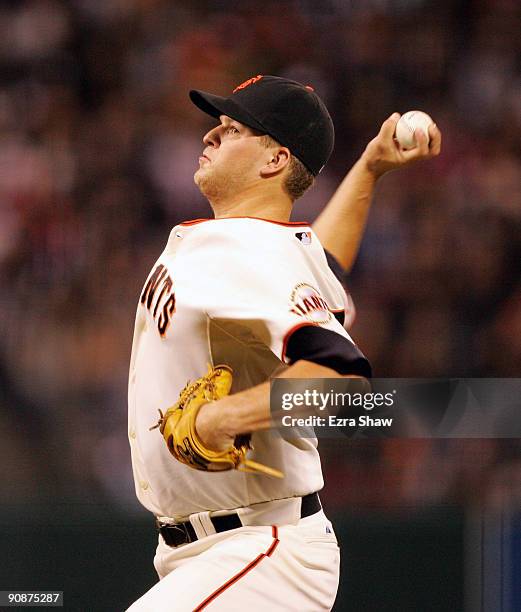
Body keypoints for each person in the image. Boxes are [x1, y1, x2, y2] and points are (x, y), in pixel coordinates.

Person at [126, 75, 441, 611]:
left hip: (261, 549)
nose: (209, 138)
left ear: (274, 160)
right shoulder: (272, 247)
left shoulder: (247, 249)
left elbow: (339, 375)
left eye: (229, 130)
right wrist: (369, 168)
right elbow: (327, 264)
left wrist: (225, 418)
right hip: (214, 552)